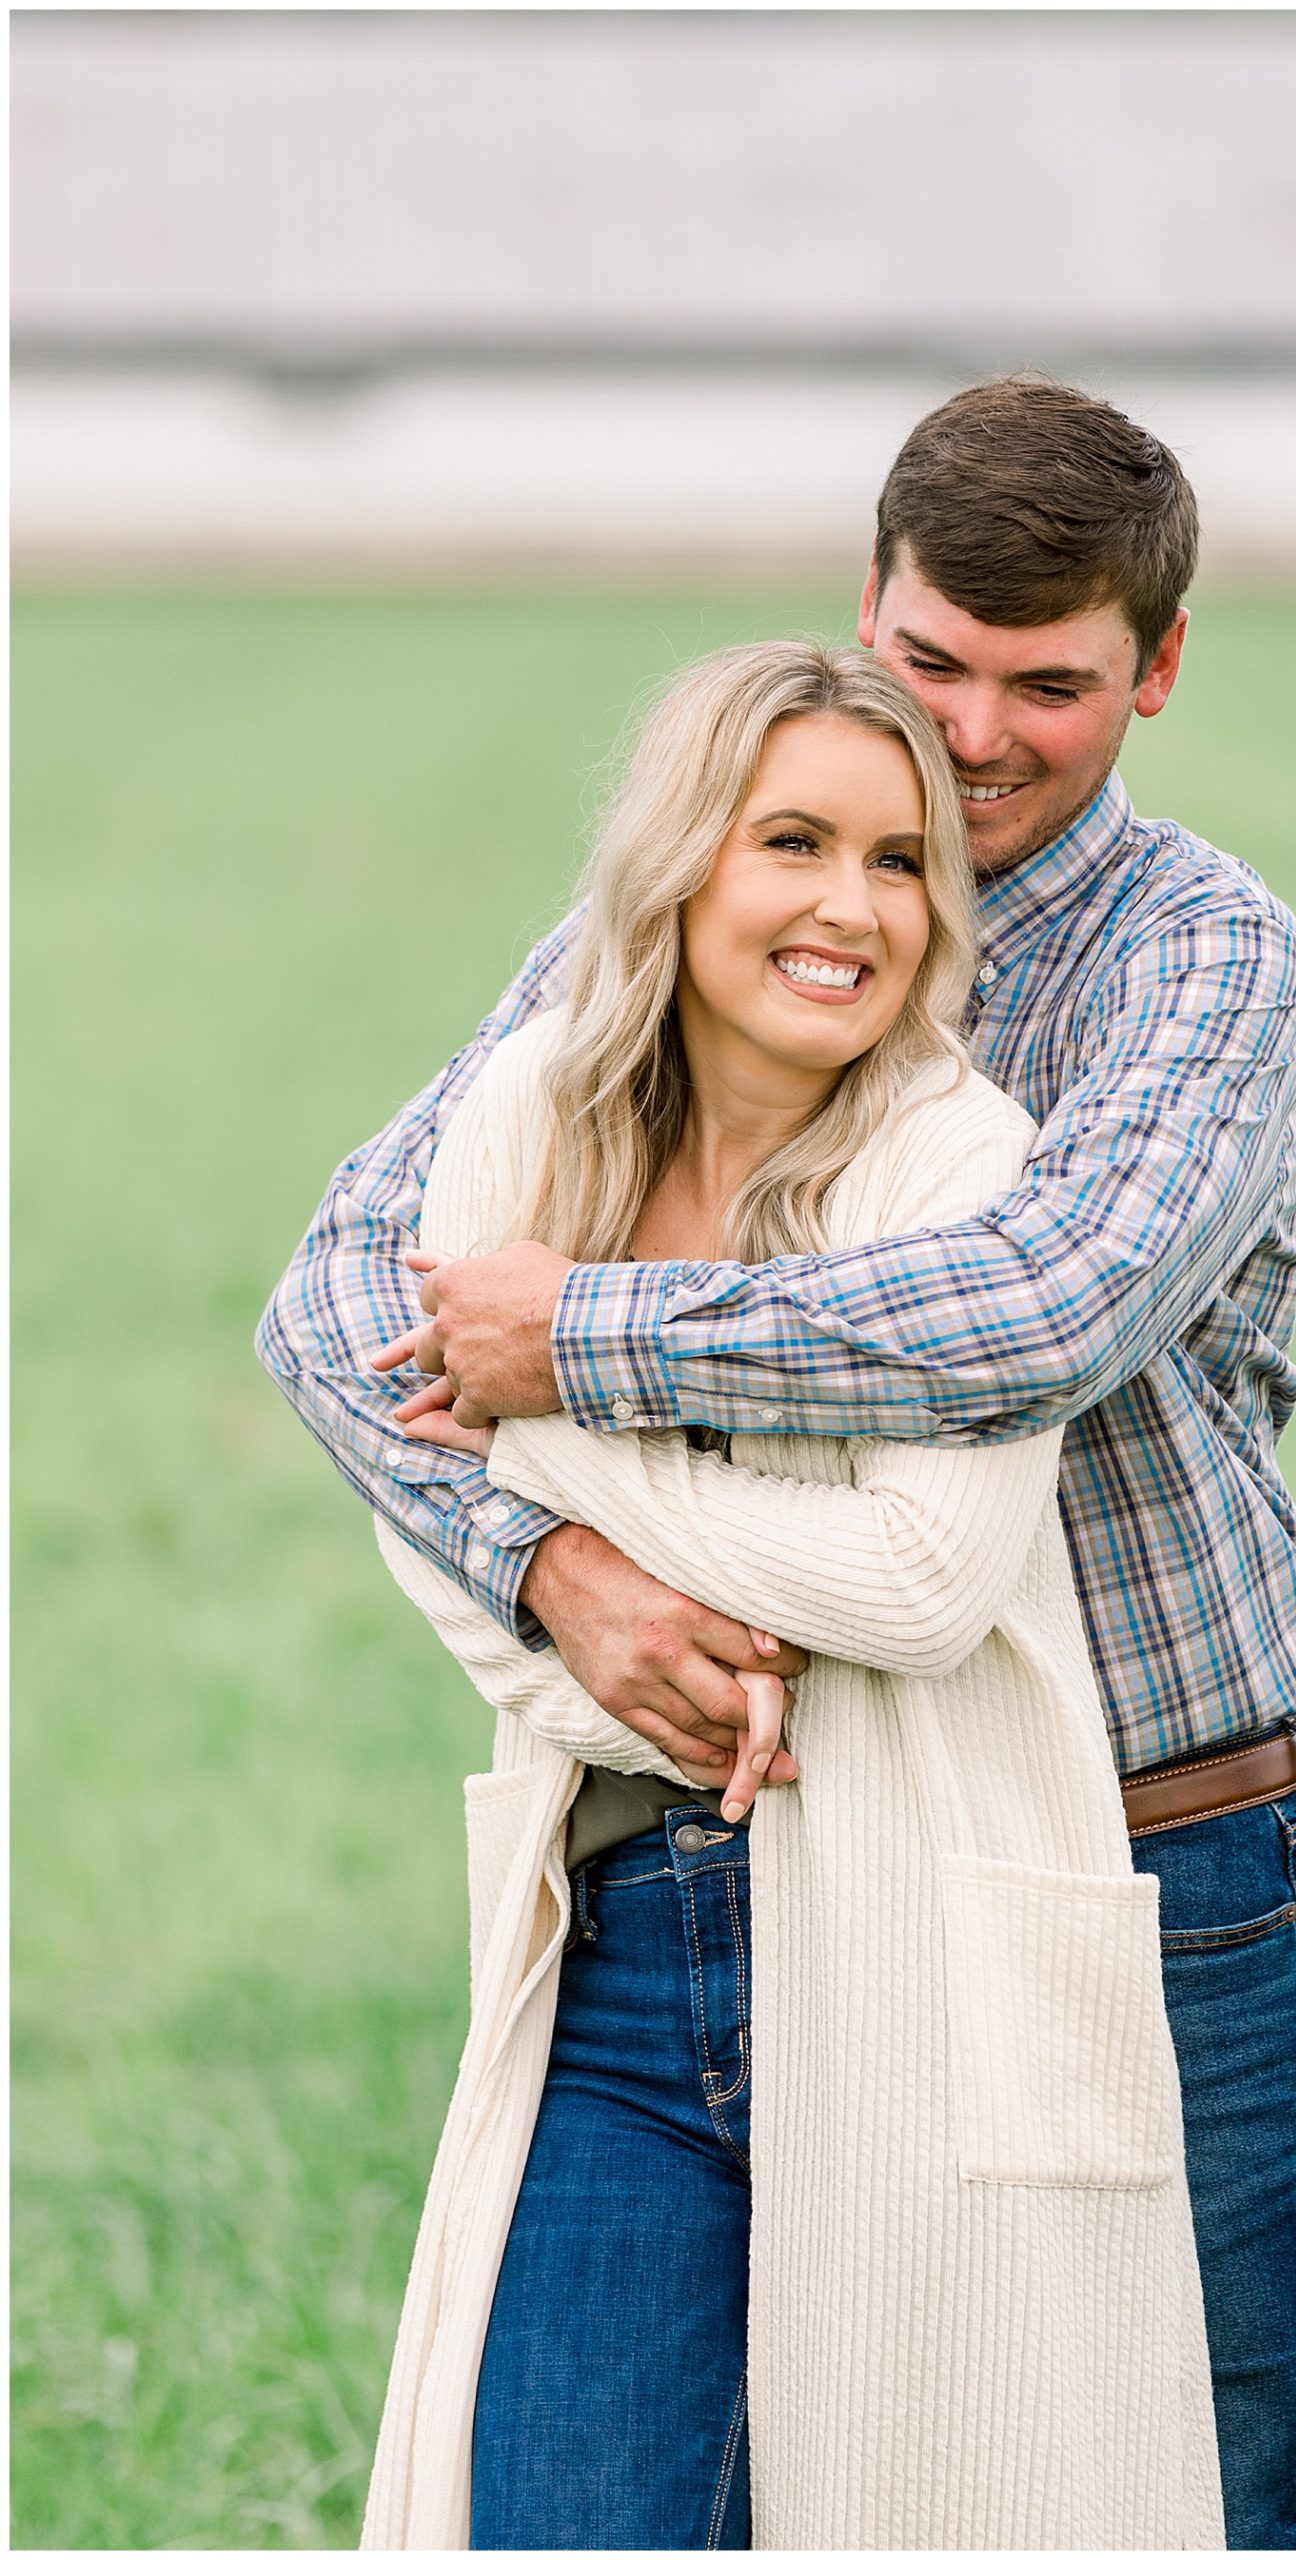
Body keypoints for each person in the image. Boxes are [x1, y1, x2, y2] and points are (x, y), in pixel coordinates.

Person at [259, 374, 1296, 2551]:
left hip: (1148, 1852)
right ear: (869, 605)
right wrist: (544, 1562)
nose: (969, 738)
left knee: (1191, 2492)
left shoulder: (1195, 952)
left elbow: (1034, 1309)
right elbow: (336, 1300)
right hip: (728, 1856)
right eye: (930, 659)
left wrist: (570, 1342)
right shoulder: (665, 934)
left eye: (1046, 685)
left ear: (1150, 670)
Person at [350, 640, 1223, 2551]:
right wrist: (594, 1620)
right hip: (618, 1951)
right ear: (681, 863)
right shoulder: (530, 1118)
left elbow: (920, 1583)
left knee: (932, 2504)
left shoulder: (954, 1158)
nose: (852, 908)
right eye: (796, 843)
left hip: (912, 1923)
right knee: (558, 2512)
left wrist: (550, 1424)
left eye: (902, 861)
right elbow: (432, 1531)